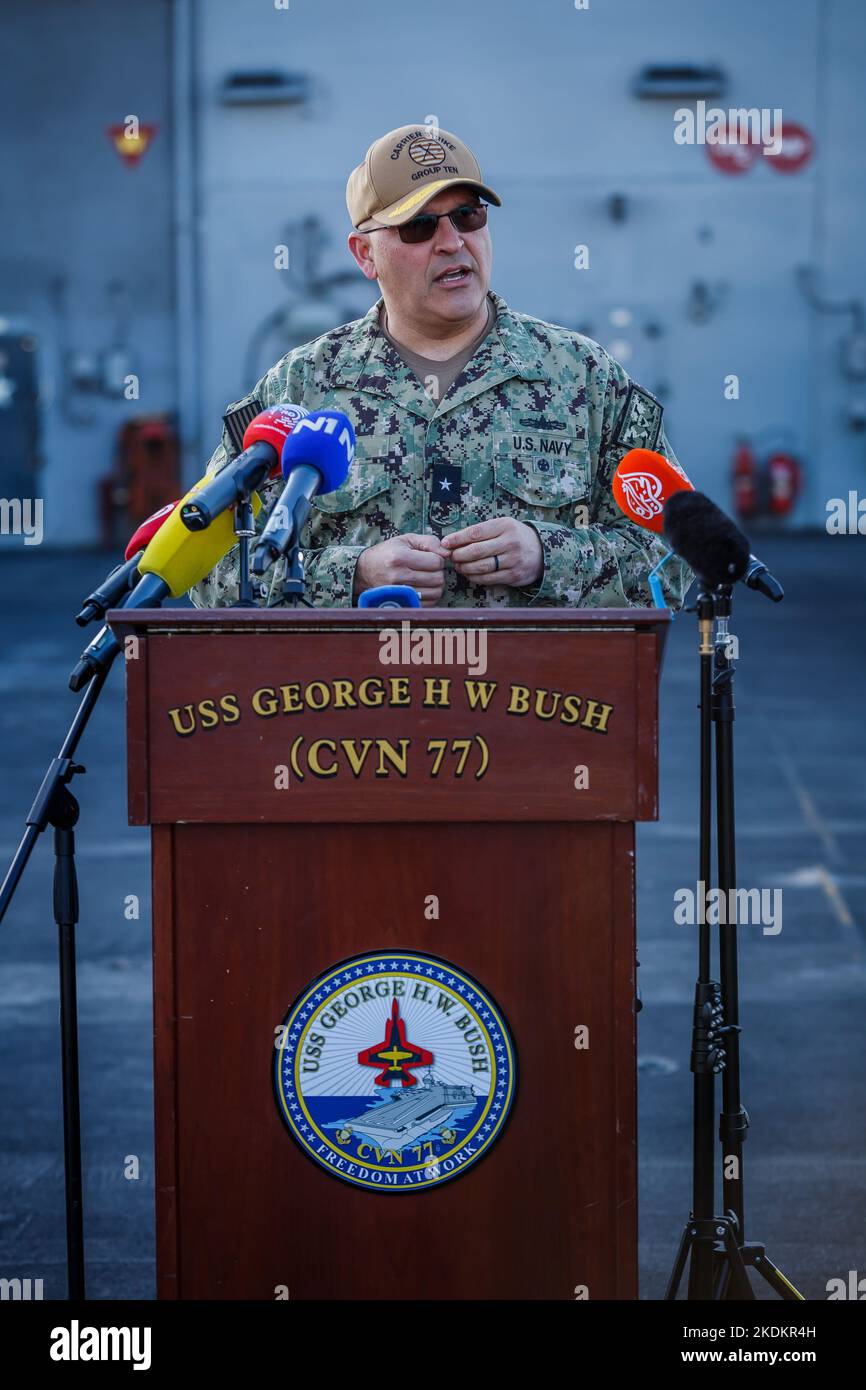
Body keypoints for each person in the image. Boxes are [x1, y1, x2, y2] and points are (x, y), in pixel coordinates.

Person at [189, 123, 692, 610]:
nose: (453, 242)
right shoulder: (299, 388)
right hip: (354, 694)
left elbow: (679, 557)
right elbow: (206, 571)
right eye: (419, 226)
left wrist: (549, 558)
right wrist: (354, 574)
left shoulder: (584, 378)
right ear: (365, 255)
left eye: (469, 216)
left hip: (534, 695)